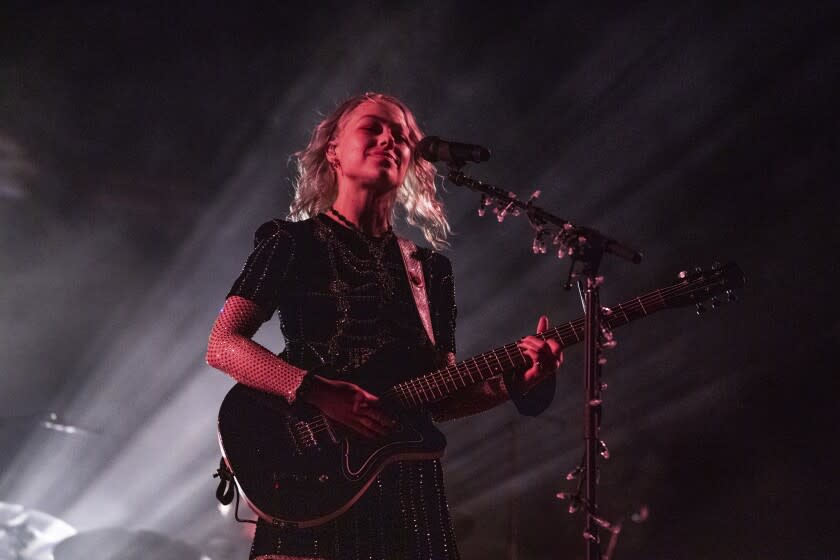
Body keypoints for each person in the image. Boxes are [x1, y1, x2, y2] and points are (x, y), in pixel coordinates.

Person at [206, 92, 563, 560]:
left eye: (401, 135)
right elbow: (223, 344)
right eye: (372, 128)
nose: (389, 140)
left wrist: (514, 384)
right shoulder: (292, 243)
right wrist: (321, 392)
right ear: (334, 148)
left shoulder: (430, 270)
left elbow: (442, 397)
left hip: (408, 495)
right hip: (314, 481)